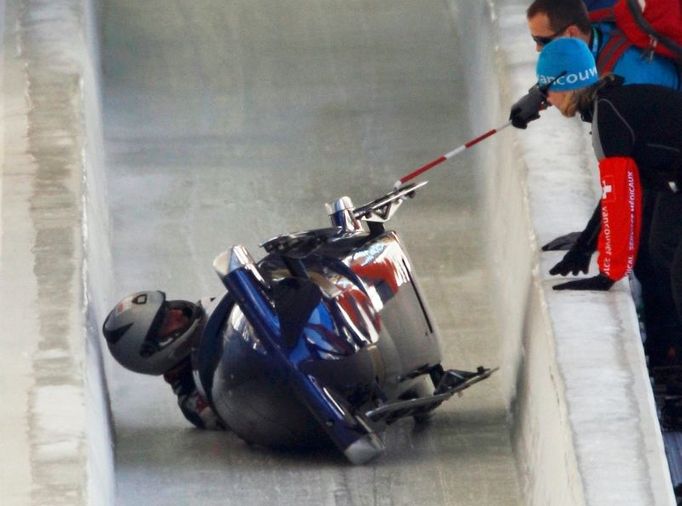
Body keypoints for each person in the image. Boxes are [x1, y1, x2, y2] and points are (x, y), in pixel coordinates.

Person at [532, 37, 682, 366]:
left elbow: (620, 199)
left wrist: (608, 274)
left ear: (567, 83)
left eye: (546, 90)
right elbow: (619, 193)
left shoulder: (609, 117)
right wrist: (585, 245)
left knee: (676, 269)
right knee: (660, 249)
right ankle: (670, 353)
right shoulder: (613, 104)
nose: (546, 101)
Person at [102, 290, 226, 430]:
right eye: (166, 321)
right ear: (155, 348)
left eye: (167, 308)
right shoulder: (197, 402)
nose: (178, 313)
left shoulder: (210, 306)